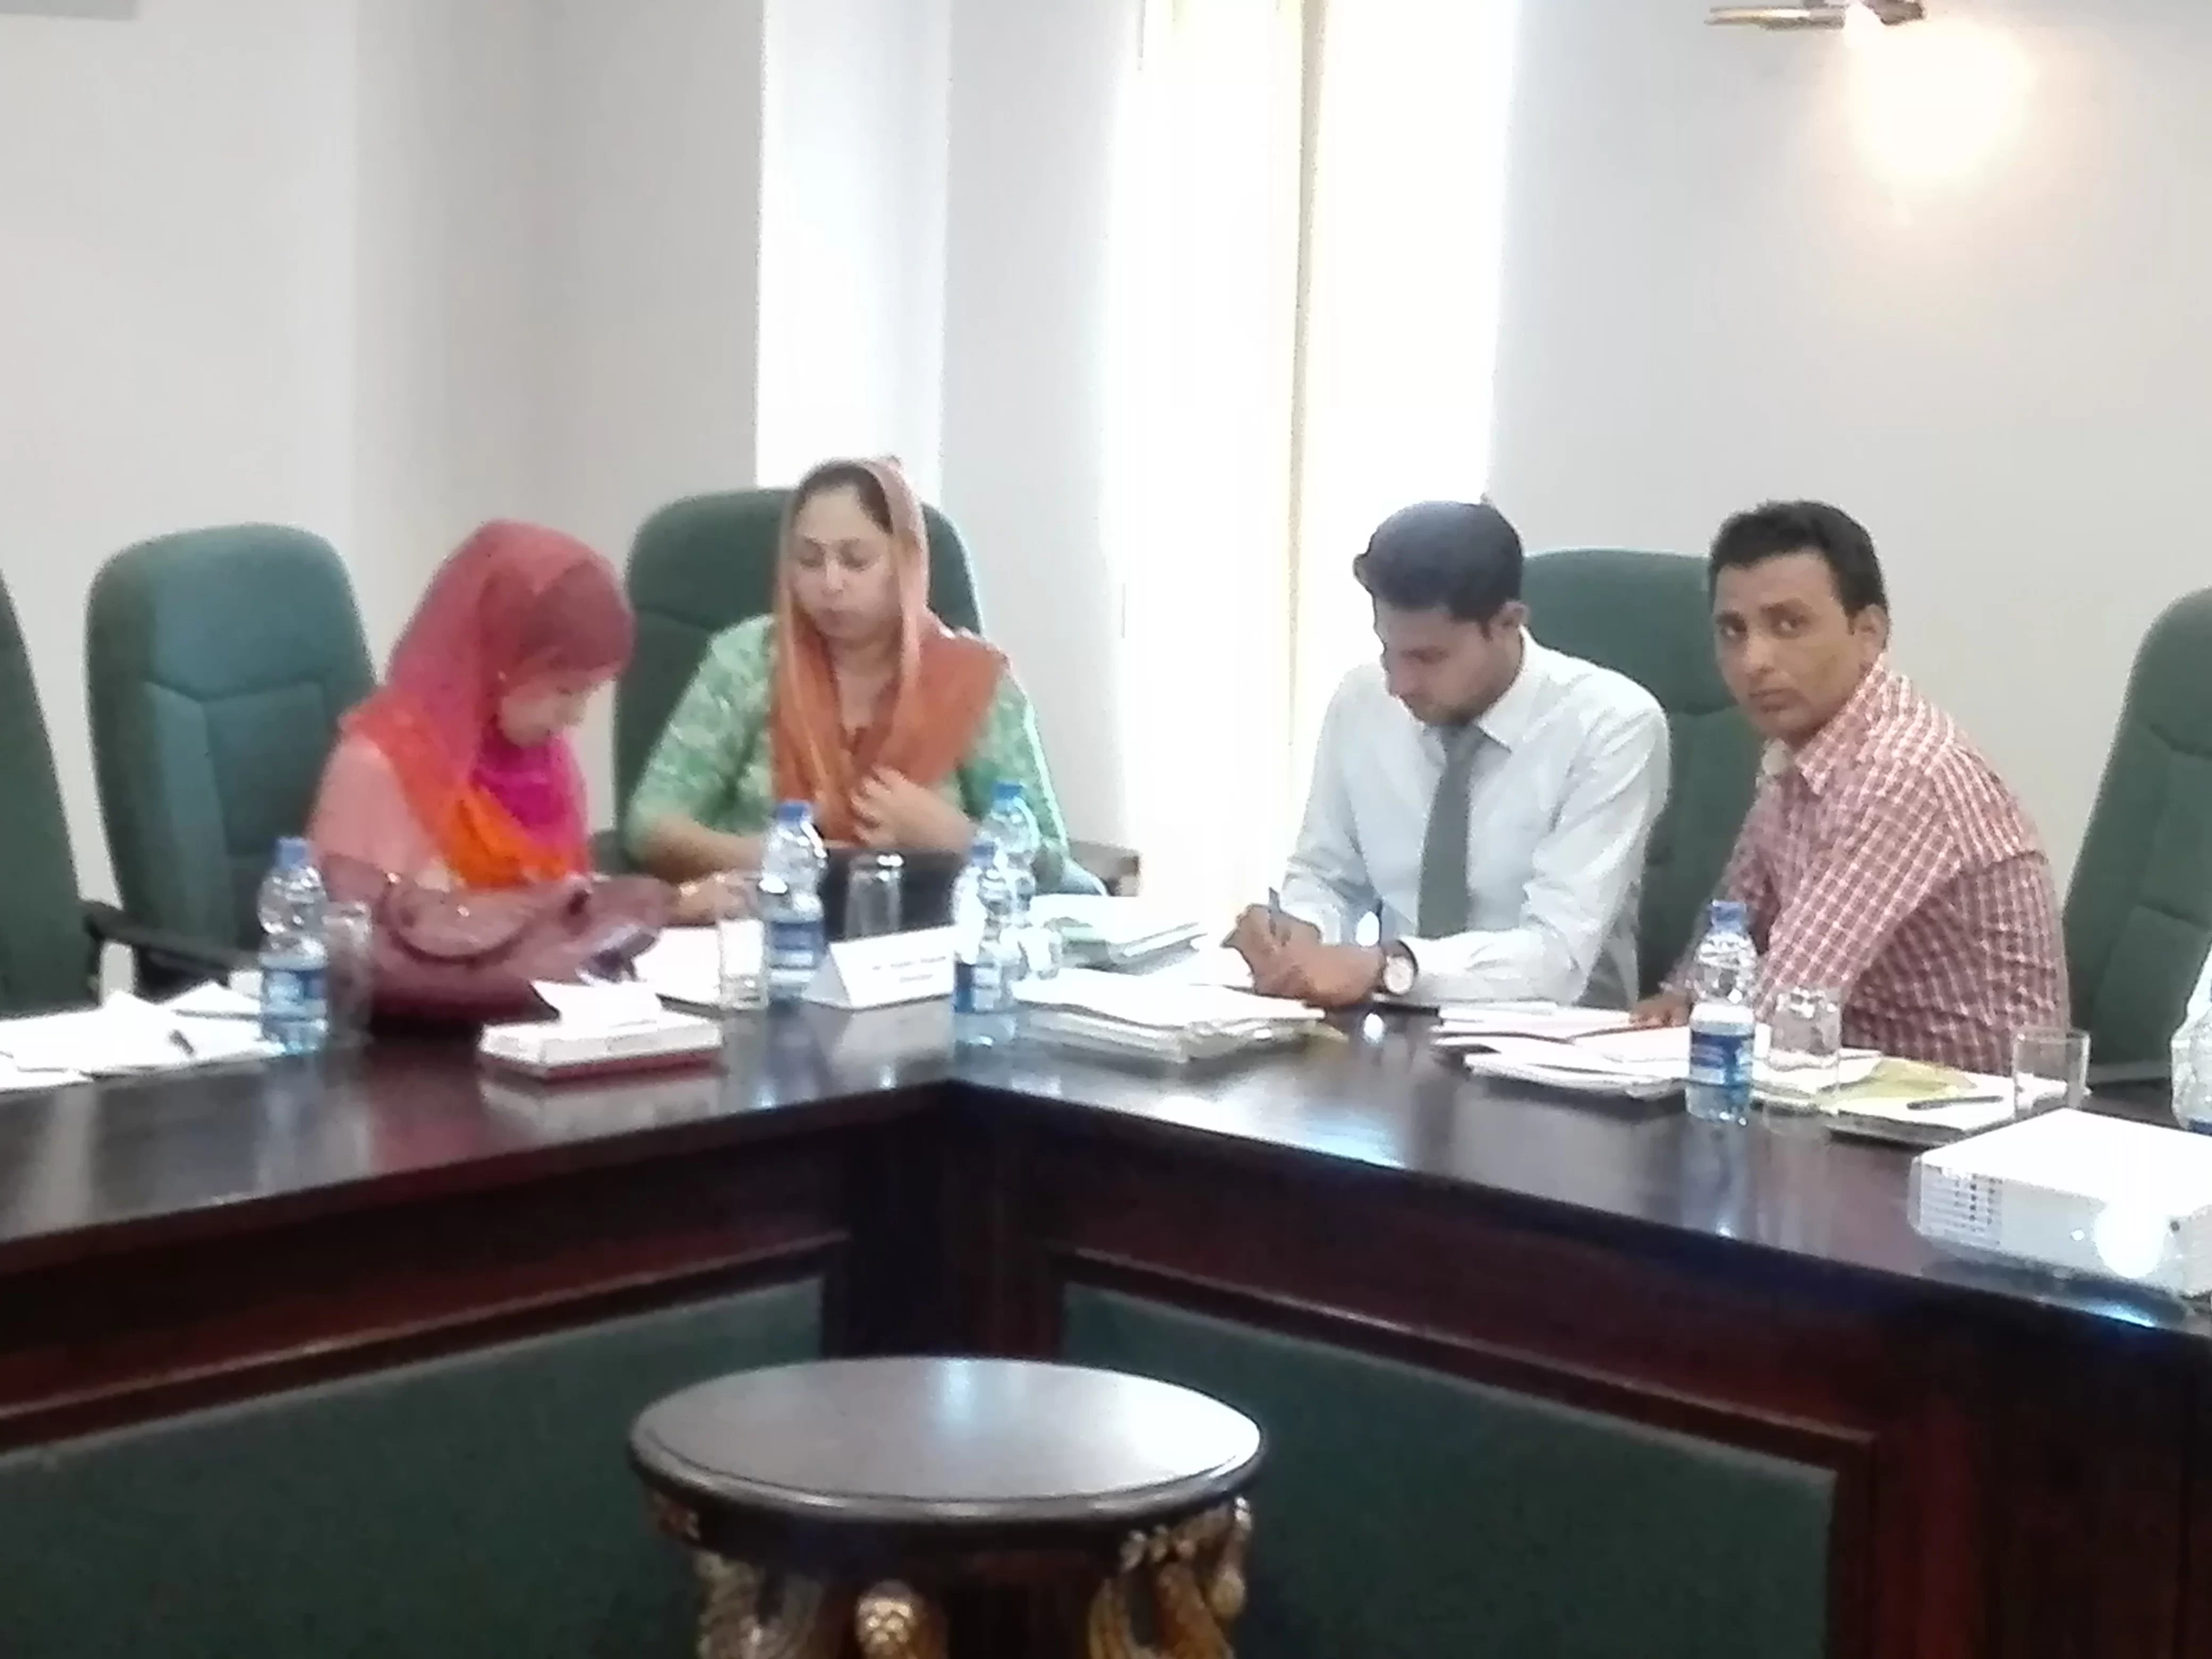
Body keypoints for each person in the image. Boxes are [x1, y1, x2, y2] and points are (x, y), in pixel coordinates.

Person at [1633, 501, 2065, 1072]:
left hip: (1963, 1108)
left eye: (1788, 625)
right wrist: (1680, 998)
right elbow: (1733, 929)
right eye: (1732, 632)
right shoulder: (1797, 755)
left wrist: (1664, 1043)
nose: (1753, 660)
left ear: (1868, 634)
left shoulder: (1904, 771)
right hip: (1847, 1086)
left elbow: (1787, 1006)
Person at [1230, 500, 1670, 1009]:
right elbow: (1326, 876)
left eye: (1427, 658)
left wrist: (1388, 966)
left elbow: (1558, 957)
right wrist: (1300, 937)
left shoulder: (1613, 726)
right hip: (1392, 1028)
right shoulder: (1361, 701)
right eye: (1388, 650)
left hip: (1558, 1040)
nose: (1399, 684)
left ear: (1508, 623)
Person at [624, 457, 1071, 881]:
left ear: (907, 561)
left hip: (932, 926)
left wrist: (960, 839)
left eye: (856, 561)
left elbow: (1051, 860)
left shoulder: (976, 680)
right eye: (808, 560)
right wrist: (775, 856)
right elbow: (650, 824)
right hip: (770, 918)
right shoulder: (749, 660)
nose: (830, 583)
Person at [310, 520, 635, 891]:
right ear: (500, 660)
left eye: (588, 693)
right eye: (564, 691)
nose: (576, 717)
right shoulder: (382, 770)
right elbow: (352, 919)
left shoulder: (543, 764)